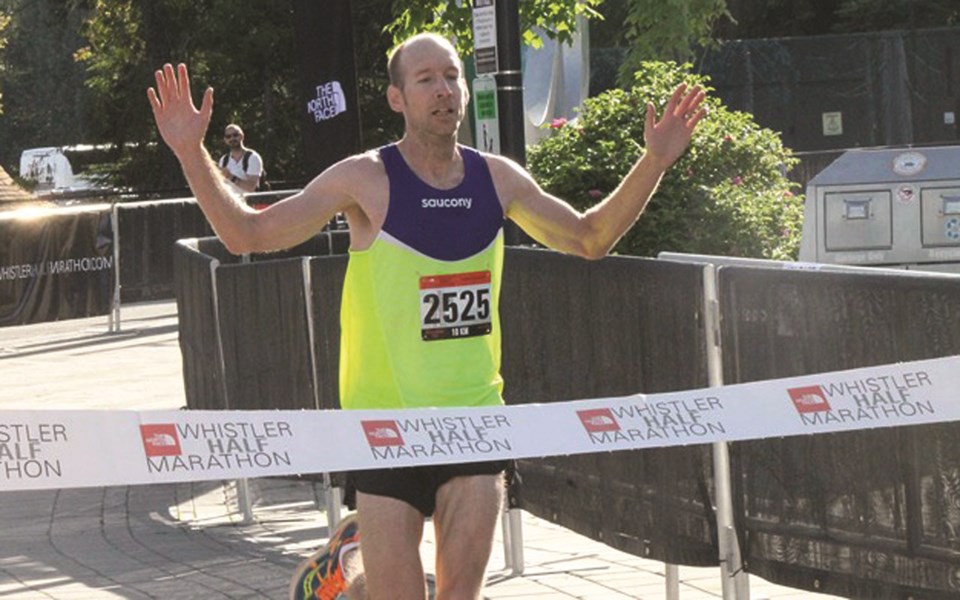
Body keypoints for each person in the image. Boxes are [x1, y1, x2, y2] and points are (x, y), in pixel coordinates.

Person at [148, 32, 705, 600]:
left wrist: (655, 160)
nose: (444, 91)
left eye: (452, 76)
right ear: (397, 98)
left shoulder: (498, 179)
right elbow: (249, 233)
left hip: (475, 420)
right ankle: (353, 574)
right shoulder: (364, 180)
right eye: (426, 80)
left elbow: (590, 238)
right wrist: (191, 152)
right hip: (384, 429)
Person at [218, 123, 264, 193]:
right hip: (228, 202)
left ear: (242, 136)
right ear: (225, 140)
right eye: (228, 136)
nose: (232, 138)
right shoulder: (223, 160)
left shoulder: (252, 158)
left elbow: (251, 188)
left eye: (235, 135)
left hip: (248, 202)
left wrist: (231, 177)